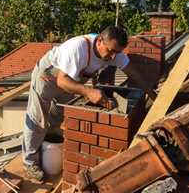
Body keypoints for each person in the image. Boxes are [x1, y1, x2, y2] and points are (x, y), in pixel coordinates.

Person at [22, 25, 156, 181]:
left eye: (117, 52)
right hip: (48, 77)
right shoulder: (78, 47)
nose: (113, 57)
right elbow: (61, 80)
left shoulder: (113, 51)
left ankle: (47, 151)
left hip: (70, 79)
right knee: (38, 119)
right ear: (99, 41)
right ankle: (29, 163)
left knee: (57, 116)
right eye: (111, 51)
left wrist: (153, 94)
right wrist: (88, 92)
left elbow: (133, 72)